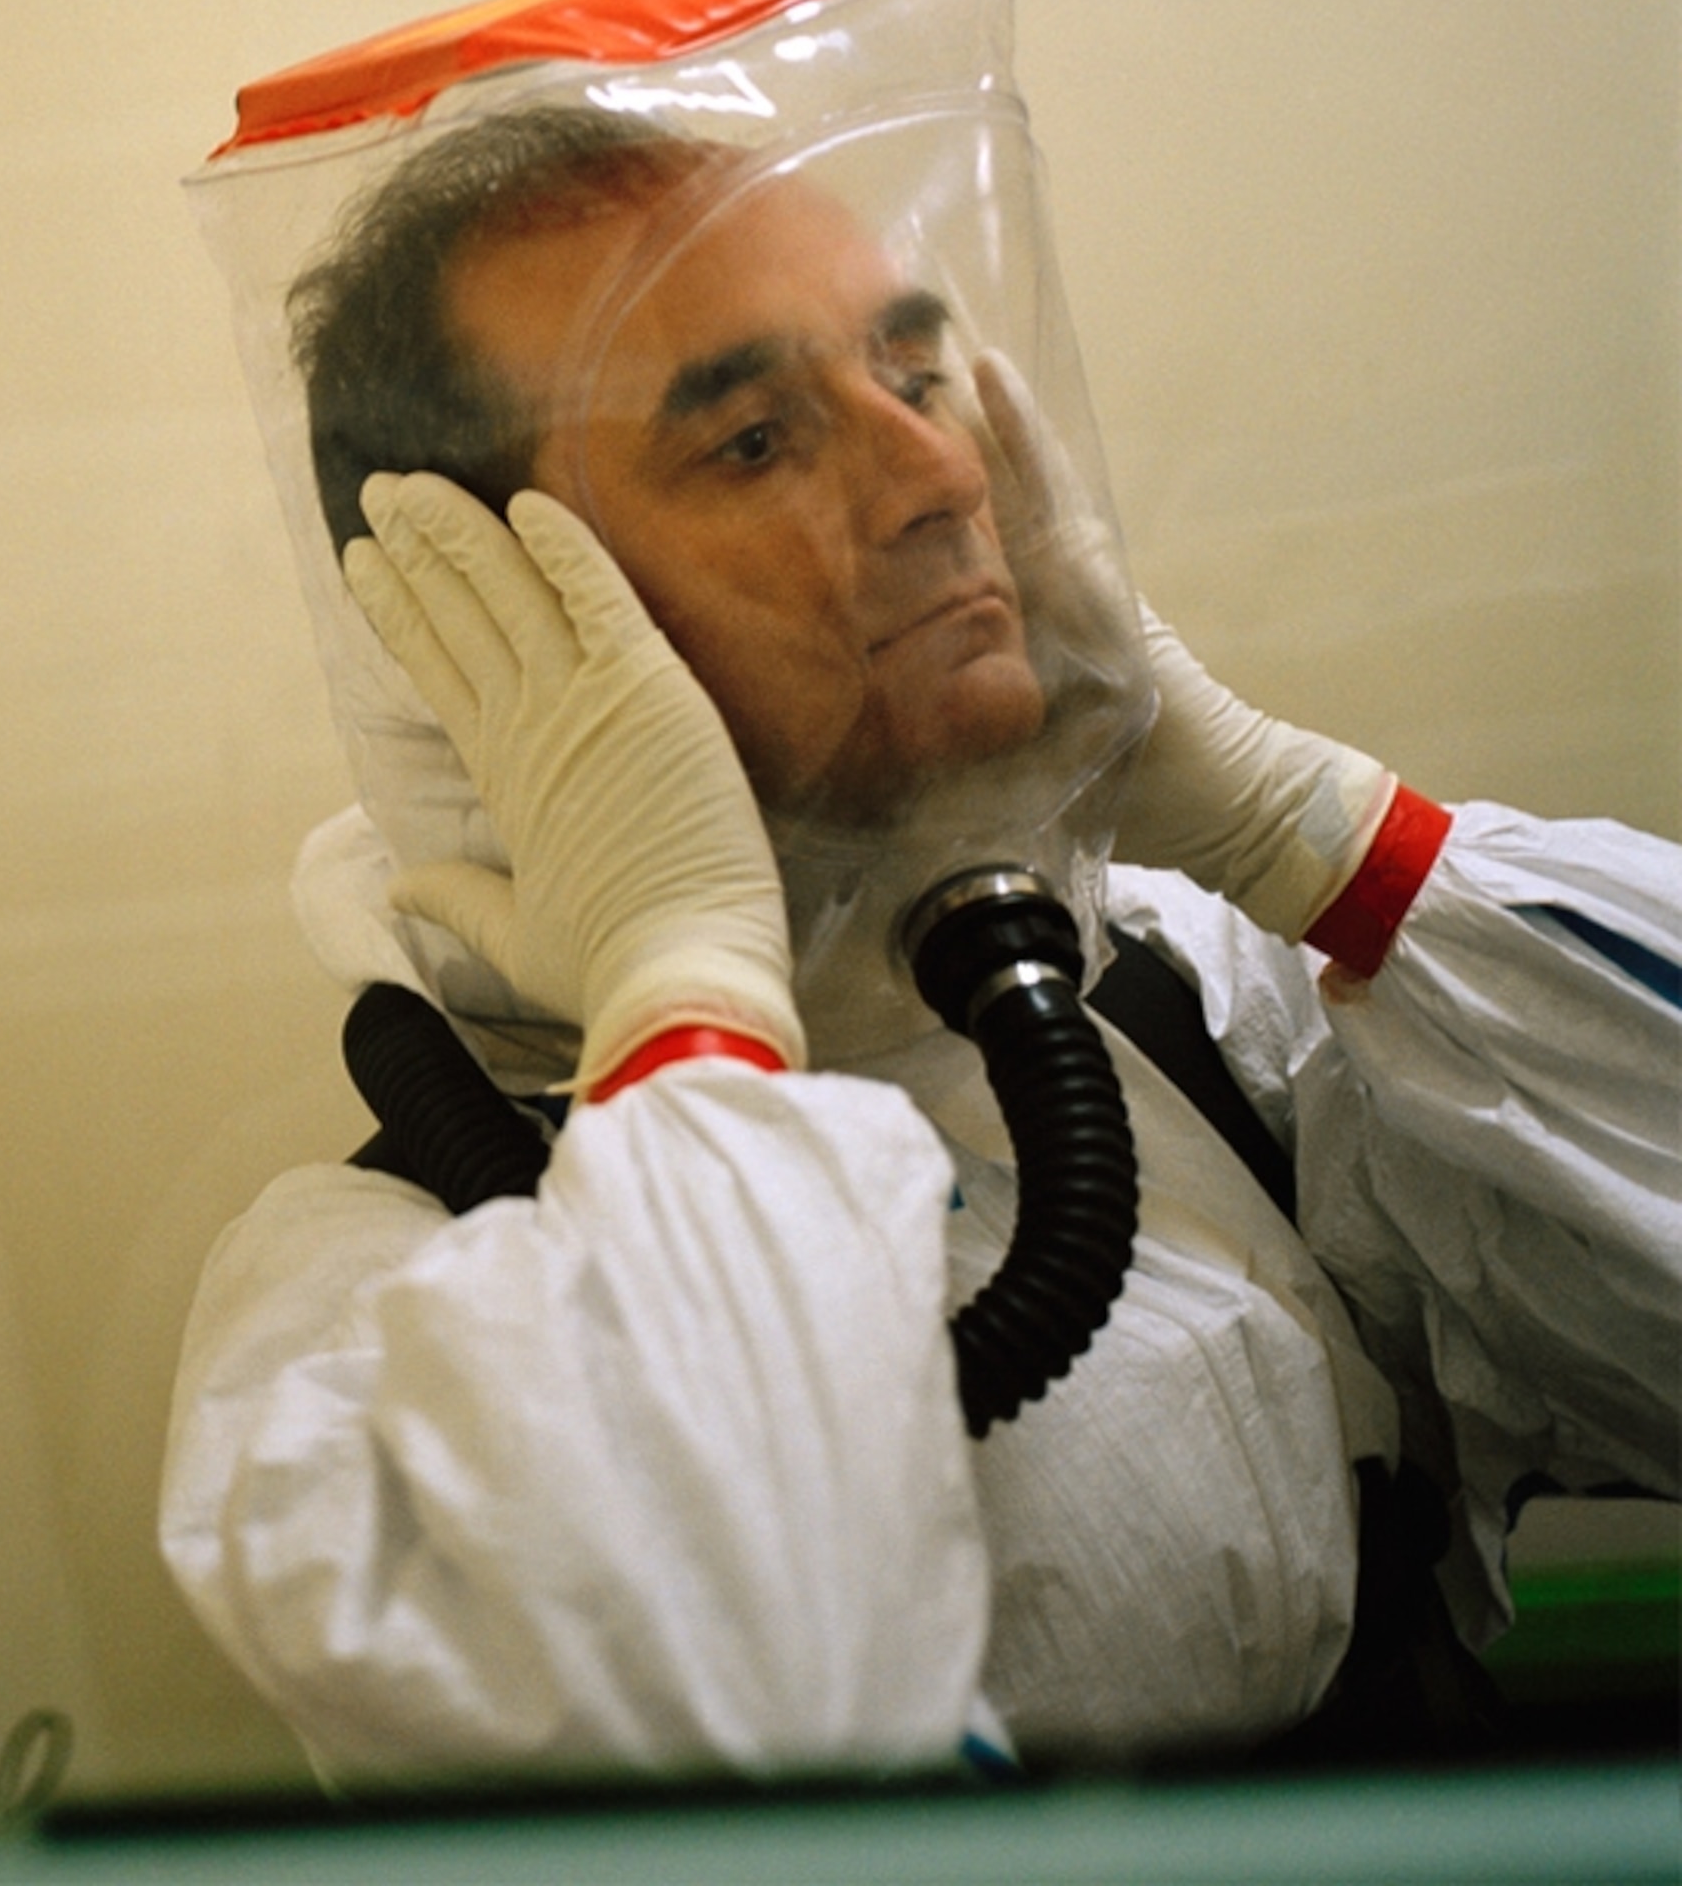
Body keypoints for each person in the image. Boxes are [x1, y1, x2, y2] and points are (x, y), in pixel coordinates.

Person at [162, 103, 1679, 1784]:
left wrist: (1306, 835)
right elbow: (732, 1740)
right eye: (753, 438)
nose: (942, 474)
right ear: (488, 622)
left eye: (910, 371)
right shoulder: (362, 1311)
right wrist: (682, 980)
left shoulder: (1158, 993)